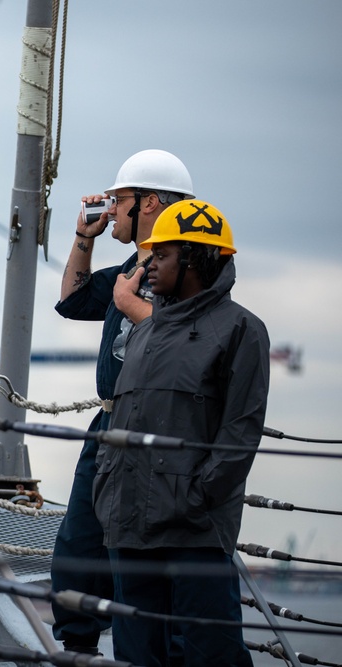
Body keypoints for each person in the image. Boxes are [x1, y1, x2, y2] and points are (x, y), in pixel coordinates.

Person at [93, 199, 270, 666]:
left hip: (195, 531)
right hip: (129, 523)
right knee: (136, 654)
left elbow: (240, 432)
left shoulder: (242, 330)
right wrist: (107, 489)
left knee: (212, 653)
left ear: (193, 258)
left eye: (162, 255)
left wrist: (196, 497)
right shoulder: (144, 332)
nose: (148, 265)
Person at [51, 149, 194, 655]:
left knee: (131, 558)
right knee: (79, 545)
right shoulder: (133, 269)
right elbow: (72, 301)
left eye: (120, 199)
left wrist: (133, 305)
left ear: (149, 203)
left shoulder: (182, 271)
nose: (110, 209)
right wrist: (83, 238)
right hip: (108, 424)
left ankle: (141, 655)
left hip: (149, 432)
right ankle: (77, 649)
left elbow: (187, 338)